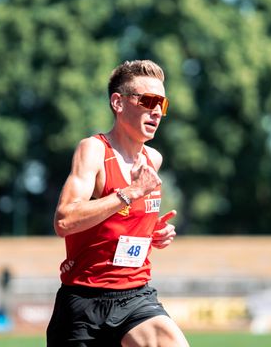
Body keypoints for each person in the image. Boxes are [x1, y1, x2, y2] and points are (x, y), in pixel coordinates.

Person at [47, 60, 189, 347]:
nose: (157, 111)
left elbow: (120, 225)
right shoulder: (94, 150)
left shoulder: (153, 159)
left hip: (135, 296)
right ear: (118, 103)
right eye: (148, 100)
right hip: (83, 303)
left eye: (162, 104)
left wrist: (151, 233)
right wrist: (130, 192)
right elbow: (64, 221)